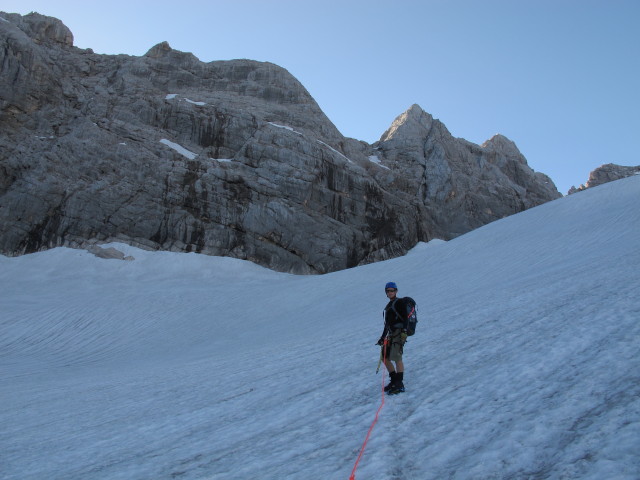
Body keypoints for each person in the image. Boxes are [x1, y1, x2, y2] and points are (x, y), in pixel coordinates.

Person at [376, 281, 409, 394]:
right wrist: (382, 337)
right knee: (385, 357)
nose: (390, 292)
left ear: (396, 291)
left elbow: (405, 318)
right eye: (388, 291)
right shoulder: (389, 306)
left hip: (399, 333)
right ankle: (394, 380)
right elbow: (387, 324)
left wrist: (404, 331)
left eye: (392, 290)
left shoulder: (399, 302)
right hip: (391, 334)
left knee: (397, 358)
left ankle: (399, 384)